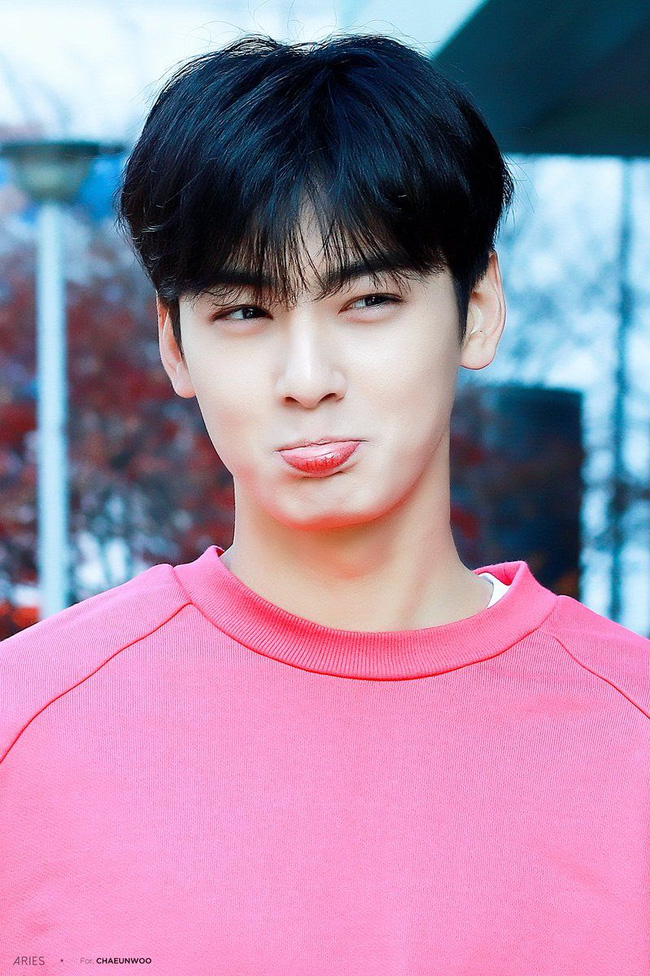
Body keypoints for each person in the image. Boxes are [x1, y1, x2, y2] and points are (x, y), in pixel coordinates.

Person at [1, 31, 649, 976]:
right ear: (175, 345)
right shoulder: (26, 728)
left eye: (369, 300)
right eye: (245, 312)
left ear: (477, 310)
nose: (307, 378)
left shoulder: (632, 739)